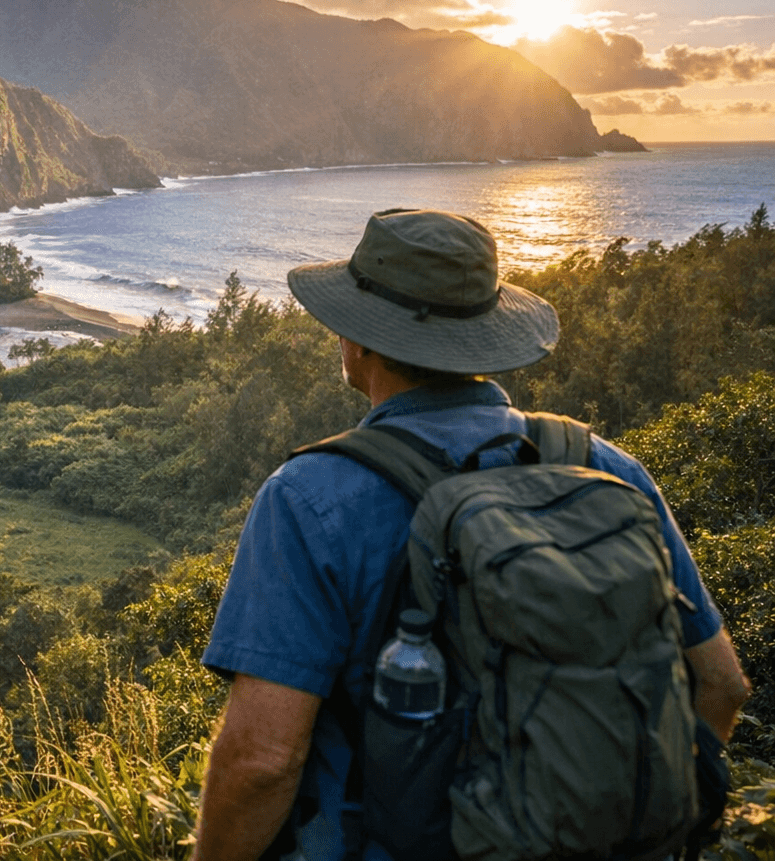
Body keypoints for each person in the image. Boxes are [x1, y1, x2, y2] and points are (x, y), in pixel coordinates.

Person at [193, 209, 750, 861]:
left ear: (359, 341)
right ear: (489, 334)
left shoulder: (308, 497)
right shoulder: (607, 468)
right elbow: (722, 686)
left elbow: (264, 759)